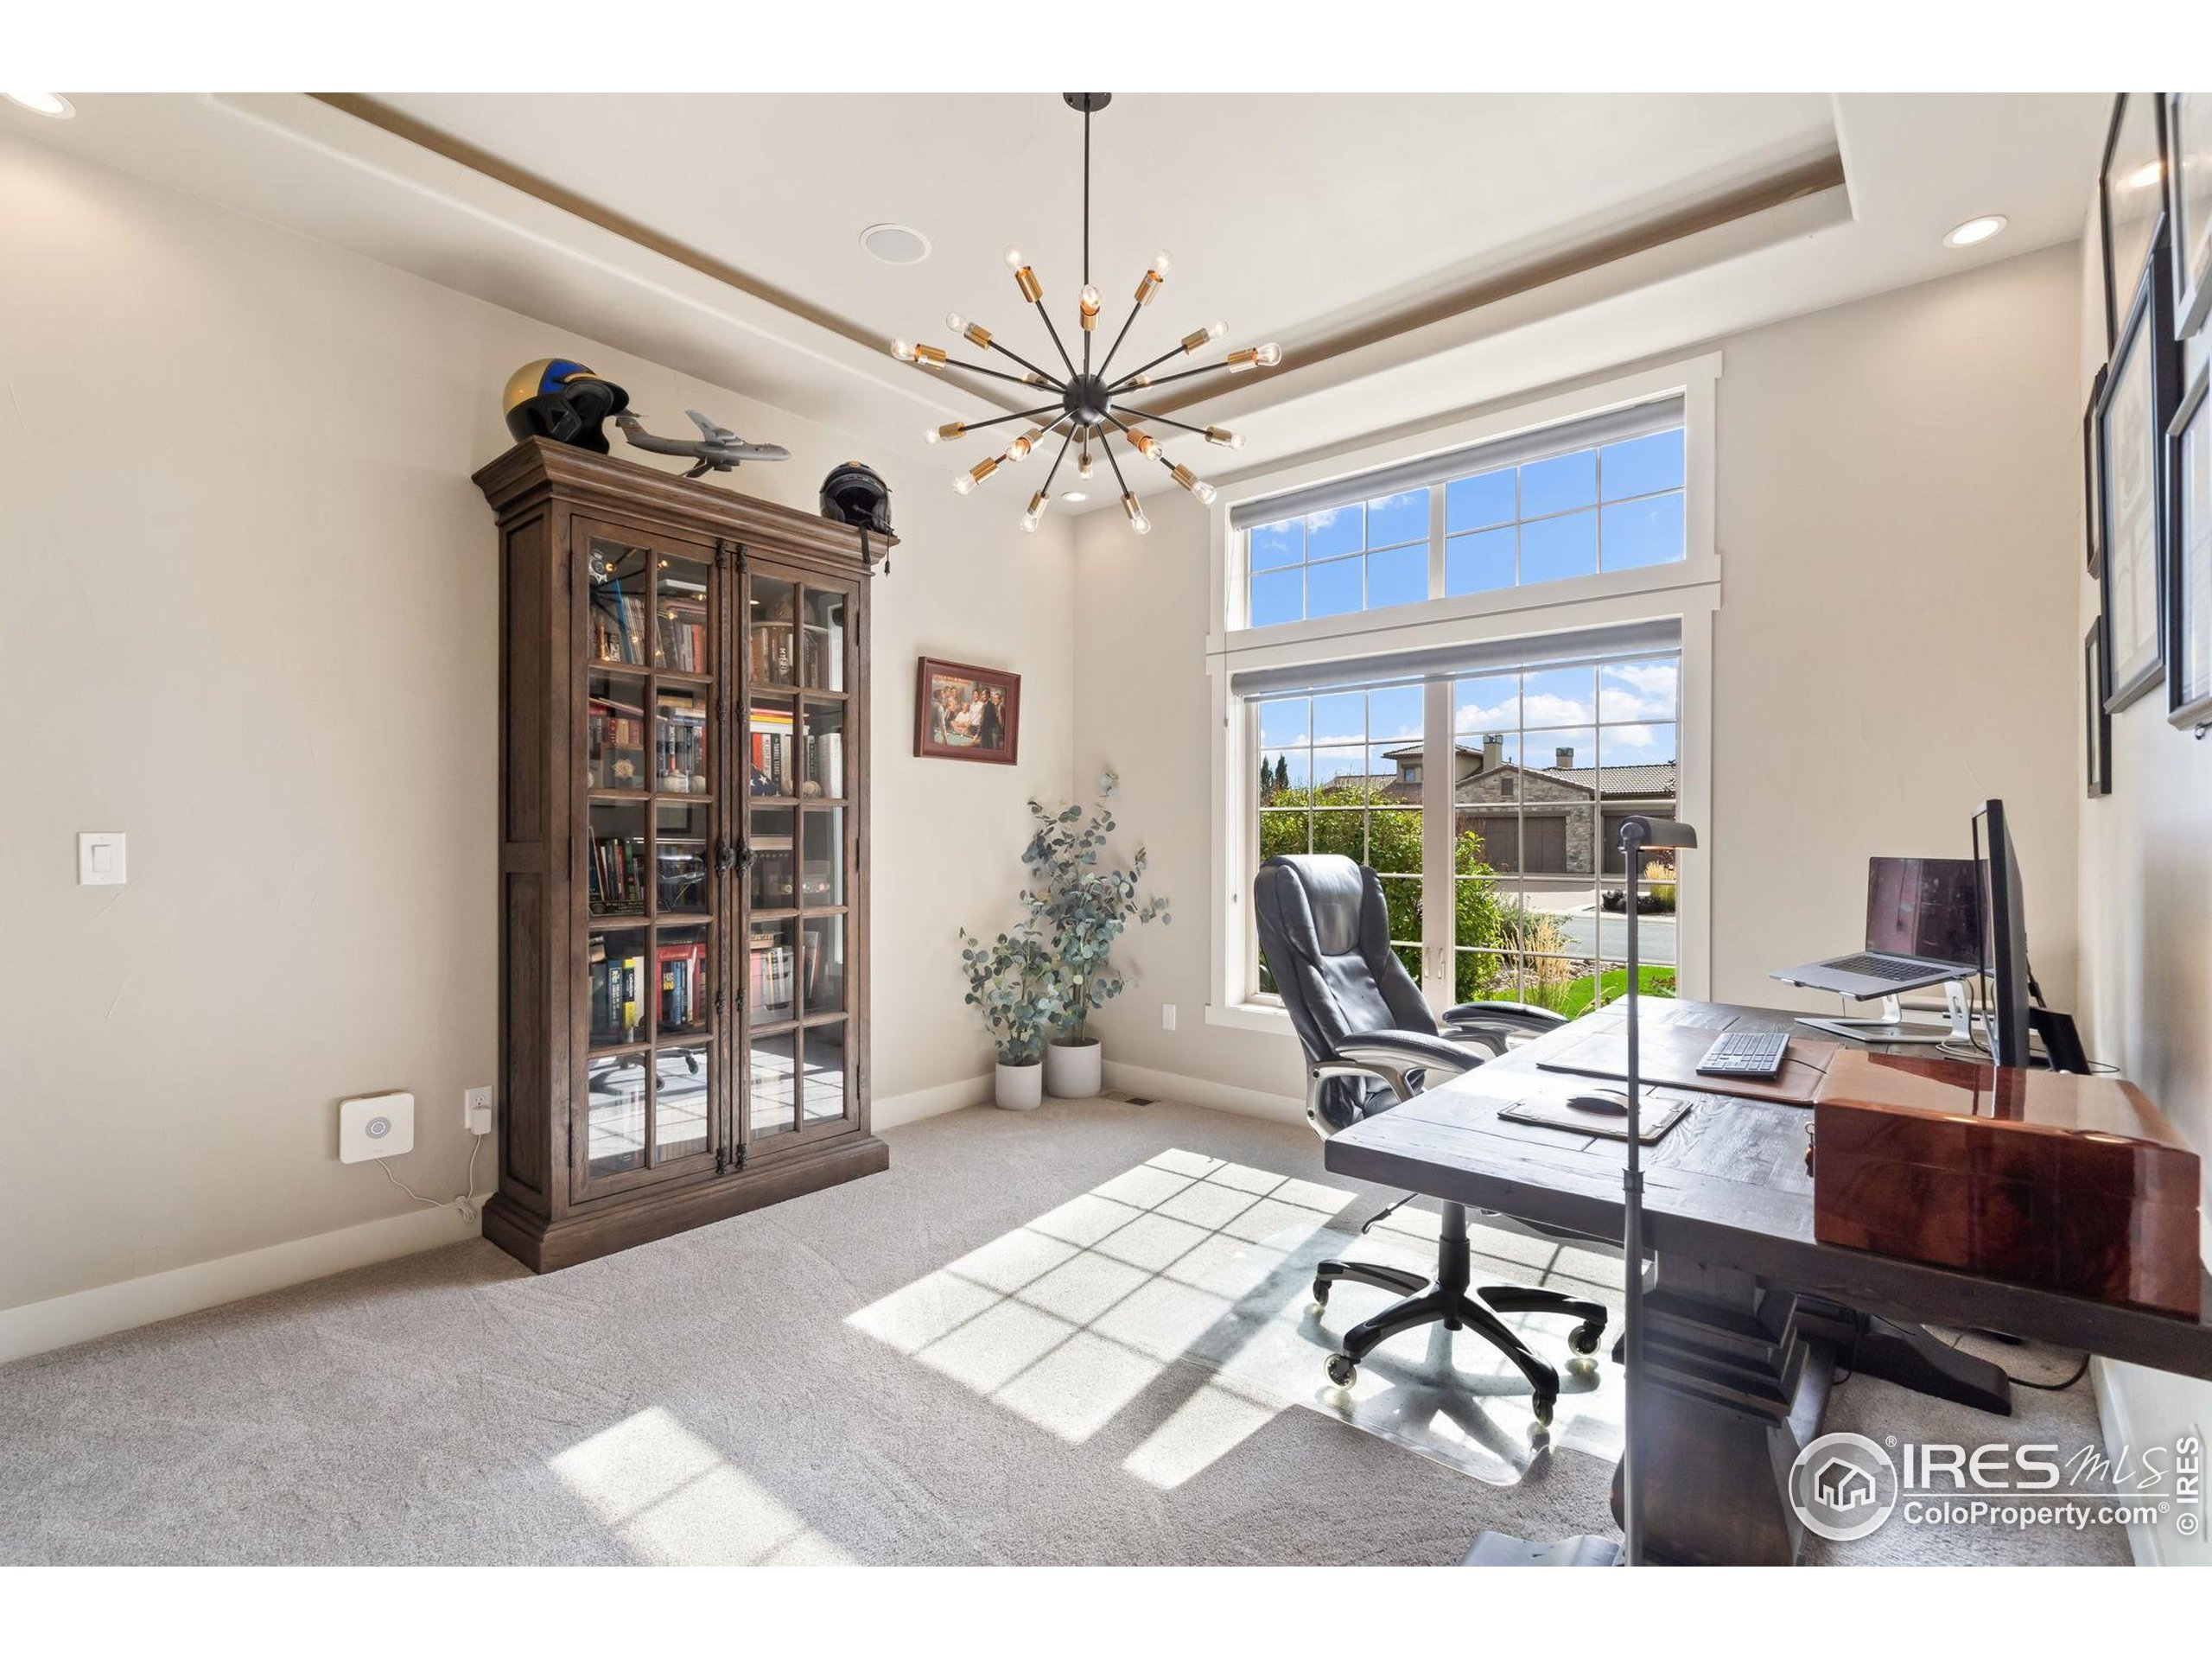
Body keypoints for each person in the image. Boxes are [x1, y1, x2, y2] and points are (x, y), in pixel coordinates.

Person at [978, 684, 1006, 753]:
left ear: (988, 695)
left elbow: (997, 722)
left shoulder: (992, 706)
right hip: (988, 732)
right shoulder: (988, 705)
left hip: (992, 732)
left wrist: (978, 733)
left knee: (991, 749)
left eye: (984, 694)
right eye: (982, 695)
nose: (983, 696)